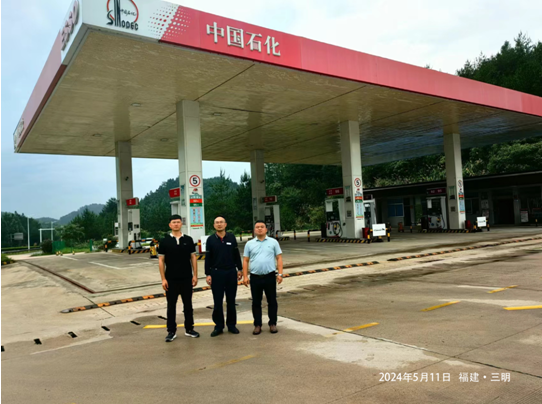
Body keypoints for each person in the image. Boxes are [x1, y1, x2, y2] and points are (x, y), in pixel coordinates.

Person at [158, 215, 199, 342]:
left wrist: (195, 275)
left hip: (186, 278)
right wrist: (163, 279)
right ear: (170, 225)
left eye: (178, 222)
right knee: (171, 306)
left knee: (188, 305)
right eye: (173, 222)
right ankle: (171, 331)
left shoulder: (188, 239)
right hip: (171, 279)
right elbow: (161, 260)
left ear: (181, 224)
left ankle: (189, 329)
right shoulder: (164, 241)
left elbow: (193, 257)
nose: (176, 224)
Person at [242, 220, 284, 335]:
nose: (259, 229)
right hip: (255, 277)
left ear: (266, 229)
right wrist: (245, 276)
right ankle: (257, 325)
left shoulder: (273, 242)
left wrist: (280, 274)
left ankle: (272, 323)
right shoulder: (249, 244)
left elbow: (279, 258)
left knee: (272, 301)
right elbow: (245, 260)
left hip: (270, 276)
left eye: (262, 227)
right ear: (254, 230)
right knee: (256, 302)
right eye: (257, 227)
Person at [205, 216, 243, 337]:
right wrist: (208, 274)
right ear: (214, 225)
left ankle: (231, 325)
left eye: (221, 222)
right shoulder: (211, 240)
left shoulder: (231, 237)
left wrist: (240, 269)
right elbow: (208, 258)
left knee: (231, 300)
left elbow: (236, 254)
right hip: (216, 273)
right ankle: (218, 326)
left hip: (231, 272)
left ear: (225, 224)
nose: (219, 224)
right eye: (217, 222)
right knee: (217, 301)